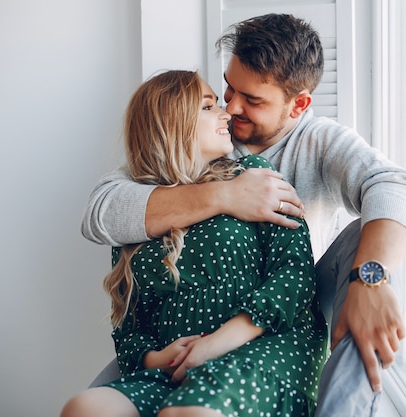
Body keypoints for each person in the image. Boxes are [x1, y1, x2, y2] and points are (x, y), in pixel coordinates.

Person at [82, 13, 406, 416]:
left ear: (298, 105)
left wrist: (372, 278)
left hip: (285, 307)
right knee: (91, 404)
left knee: (363, 238)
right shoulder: (199, 136)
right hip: (188, 319)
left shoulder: (320, 143)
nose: (231, 107)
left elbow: (397, 187)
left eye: (253, 100)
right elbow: (102, 213)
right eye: (229, 89)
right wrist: (225, 196)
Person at [62, 70, 328, 417]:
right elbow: (128, 326)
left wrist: (215, 344)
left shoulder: (252, 174)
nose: (226, 113)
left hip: (262, 345)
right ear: (172, 124)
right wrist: (156, 357)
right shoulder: (140, 209)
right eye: (208, 107)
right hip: (175, 368)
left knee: (187, 413)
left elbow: (294, 275)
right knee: (84, 407)